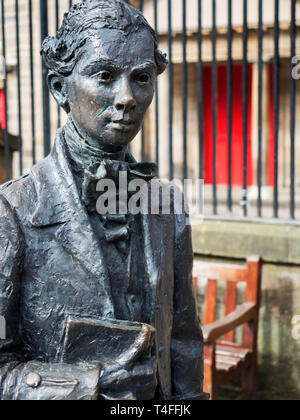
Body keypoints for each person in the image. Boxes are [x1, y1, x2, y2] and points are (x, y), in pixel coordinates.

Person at [0, 0, 205, 400]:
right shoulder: (13, 211)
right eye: (105, 75)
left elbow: (182, 340)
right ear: (60, 88)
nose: (127, 97)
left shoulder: (166, 205)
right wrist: (86, 385)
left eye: (141, 78)